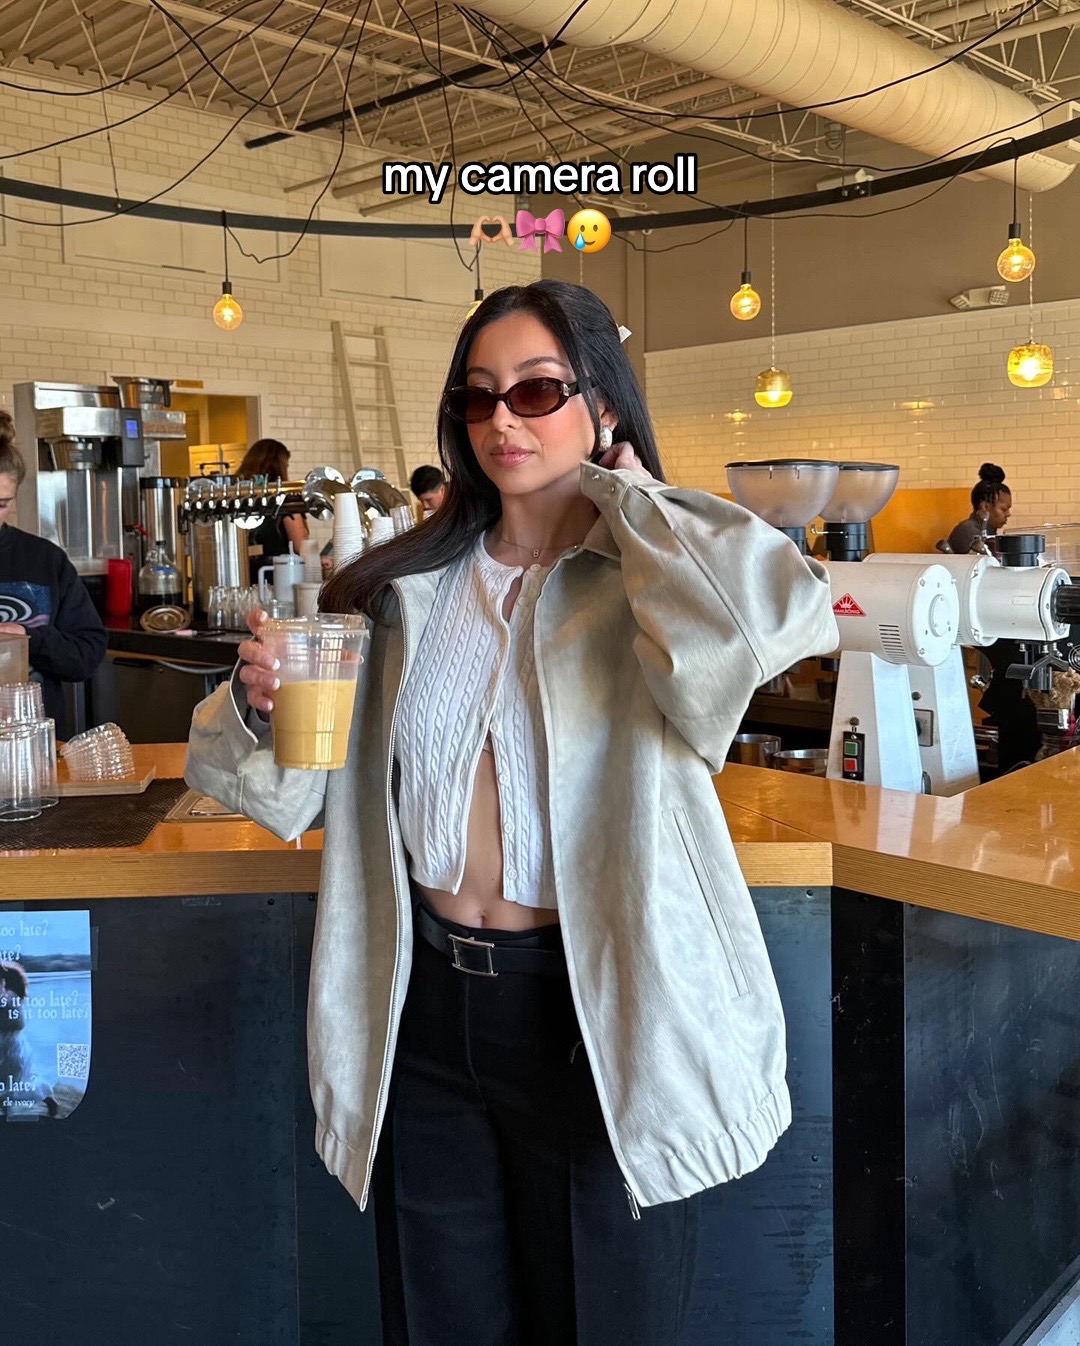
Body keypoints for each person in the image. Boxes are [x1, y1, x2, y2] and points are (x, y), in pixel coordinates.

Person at [186, 280, 839, 1345]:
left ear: (603, 405)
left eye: (537, 390)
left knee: (600, 1321)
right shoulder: (401, 592)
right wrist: (258, 706)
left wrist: (637, 499)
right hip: (425, 1006)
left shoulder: (651, 587)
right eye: (479, 395)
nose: (503, 419)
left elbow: (771, 621)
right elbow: (285, 796)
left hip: (597, 1012)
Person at [0, 417, 107, 738]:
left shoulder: (45, 560)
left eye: (2, 504)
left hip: (34, 748)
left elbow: (86, 654)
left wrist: (27, 637)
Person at [237, 438, 309, 583]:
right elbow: (300, 546)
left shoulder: (238, 498)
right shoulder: (285, 500)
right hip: (278, 577)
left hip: (241, 575)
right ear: (279, 467)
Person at [947, 462, 1012, 555]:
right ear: (985, 507)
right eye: (1004, 509)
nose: (1008, 514)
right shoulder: (967, 531)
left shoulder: (988, 530)